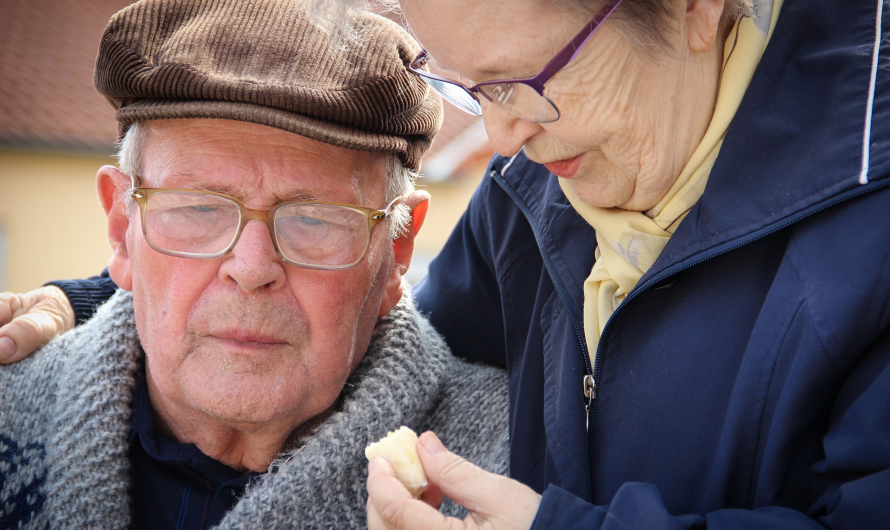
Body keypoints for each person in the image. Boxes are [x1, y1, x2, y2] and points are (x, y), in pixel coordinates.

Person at [3, 0, 890, 528]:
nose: (499, 140)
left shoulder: (868, 219)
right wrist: (94, 309)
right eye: (470, 90)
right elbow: (364, 321)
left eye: (527, 79)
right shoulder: (531, 193)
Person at [0, 0, 510, 528]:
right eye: (198, 208)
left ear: (396, 252)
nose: (250, 268)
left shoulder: (515, 469)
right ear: (122, 231)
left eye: (313, 220)